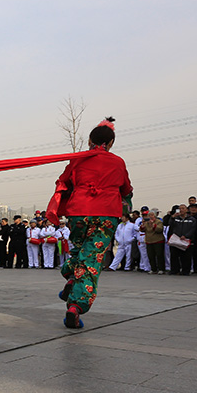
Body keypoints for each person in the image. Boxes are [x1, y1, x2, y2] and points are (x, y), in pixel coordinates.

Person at [48, 117, 132, 329]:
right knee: (91, 260)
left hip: (79, 212)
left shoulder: (78, 159)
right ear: (111, 143)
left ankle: (70, 275)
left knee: (79, 250)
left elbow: (63, 181)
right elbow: (126, 189)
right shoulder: (118, 162)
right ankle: (76, 306)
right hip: (105, 214)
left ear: (90, 140)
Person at [141, 209, 165, 274]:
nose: (150, 216)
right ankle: (153, 269)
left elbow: (159, 230)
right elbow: (142, 230)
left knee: (159, 255)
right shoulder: (147, 222)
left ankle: (161, 269)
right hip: (149, 241)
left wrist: (153, 225)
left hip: (158, 241)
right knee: (151, 256)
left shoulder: (158, 221)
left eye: (152, 215)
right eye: (149, 215)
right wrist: (143, 225)